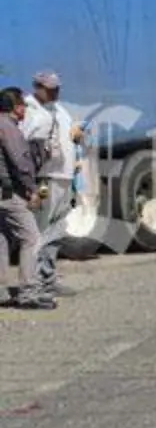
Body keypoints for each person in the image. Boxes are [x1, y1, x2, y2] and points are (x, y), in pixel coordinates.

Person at [22, 72, 82, 298]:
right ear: (37, 86)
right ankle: (34, 282)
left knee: (56, 231)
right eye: (49, 88)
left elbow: (68, 137)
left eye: (57, 88)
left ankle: (48, 278)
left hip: (64, 176)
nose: (55, 92)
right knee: (40, 231)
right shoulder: (30, 110)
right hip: (46, 178)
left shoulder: (59, 109)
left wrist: (76, 138)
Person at [0, 87, 49, 309]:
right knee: (32, 238)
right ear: (16, 107)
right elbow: (20, 162)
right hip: (8, 194)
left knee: (1, 240)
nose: (25, 110)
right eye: (23, 105)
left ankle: (1, 292)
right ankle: (28, 292)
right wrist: (32, 189)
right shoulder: (8, 127)